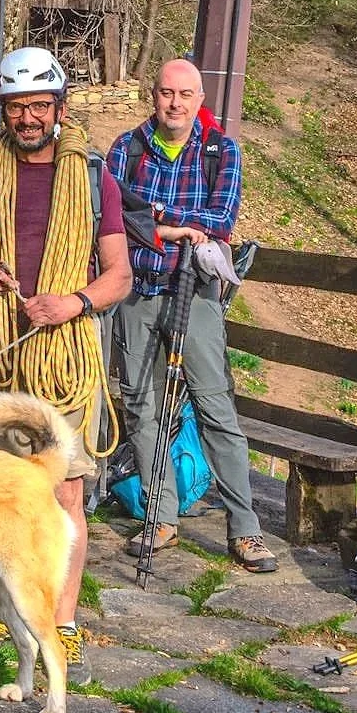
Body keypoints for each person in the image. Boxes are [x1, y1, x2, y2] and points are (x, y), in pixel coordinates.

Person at [0, 46, 134, 663]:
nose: (27, 118)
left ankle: (61, 625)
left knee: (65, 493)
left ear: (59, 107)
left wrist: (73, 302)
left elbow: (118, 275)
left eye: (39, 106)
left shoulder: (94, 179)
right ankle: (1, 614)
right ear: (3, 111)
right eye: (16, 107)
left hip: (62, 358)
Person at [108, 58, 274, 574]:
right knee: (140, 402)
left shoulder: (220, 152)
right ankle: (161, 516)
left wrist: (154, 219)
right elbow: (113, 216)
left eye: (185, 93)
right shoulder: (126, 148)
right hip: (138, 290)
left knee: (214, 406)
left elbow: (220, 221)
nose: (174, 103)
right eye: (165, 93)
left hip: (195, 291)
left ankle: (245, 529)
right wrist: (173, 229)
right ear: (152, 95)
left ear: (199, 99)